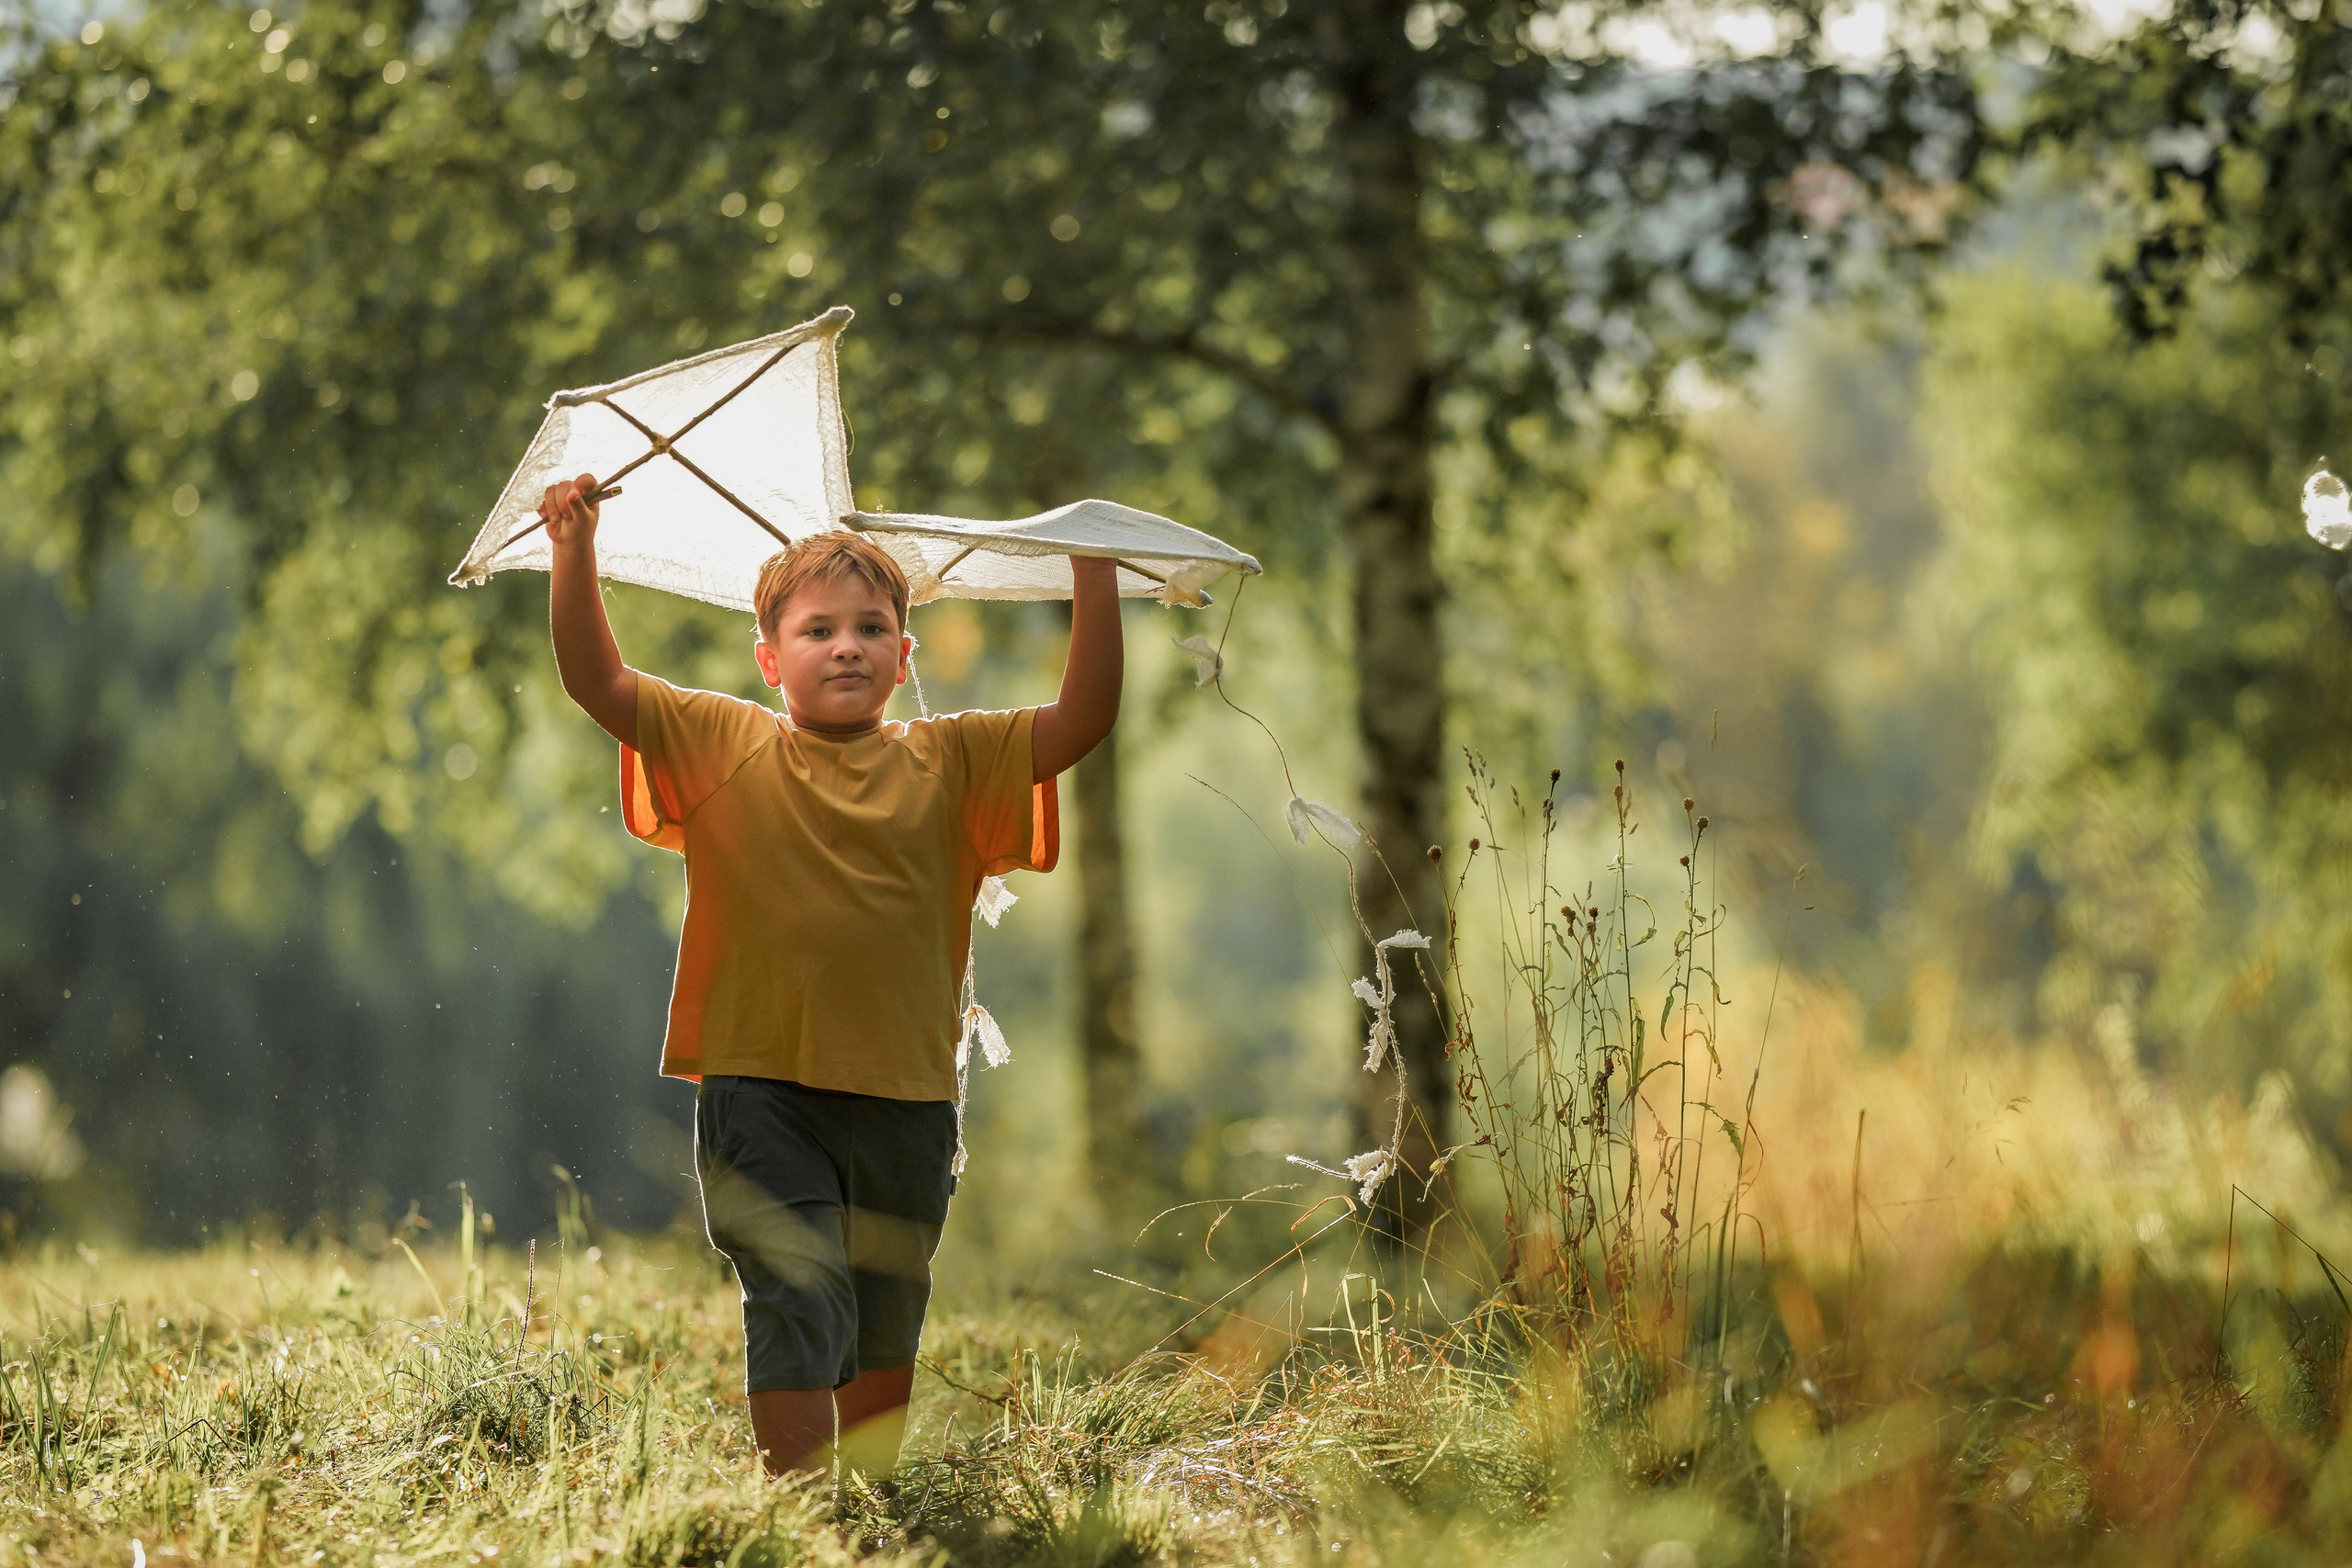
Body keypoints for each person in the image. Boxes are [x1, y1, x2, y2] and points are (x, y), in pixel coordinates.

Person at [537, 472, 1122, 1477]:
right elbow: (600, 682)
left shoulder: (956, 760)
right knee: (797, 1288)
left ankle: (872, 1493)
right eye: (817, 630)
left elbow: (1081, 719)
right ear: (769, 659)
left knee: (888, 1307)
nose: (846, 645)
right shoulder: (723, 741)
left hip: (907, 1099)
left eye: (870, 628)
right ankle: (803, 1508)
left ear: (904, 655)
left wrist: (1093, 570)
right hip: (761, 1088)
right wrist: (572, 550)